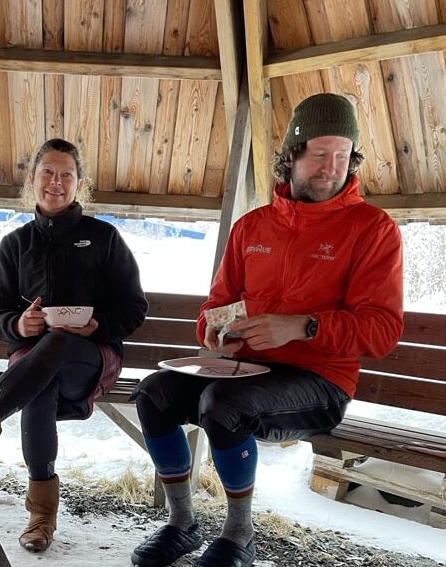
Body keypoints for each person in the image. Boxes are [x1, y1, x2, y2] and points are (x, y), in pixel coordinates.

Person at [129, 93, 404, 567]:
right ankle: (182, 523)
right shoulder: (251, 228)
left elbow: (380, 330)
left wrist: (302, 326)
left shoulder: (372, 229)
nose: (330, 167)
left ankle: (239, 536)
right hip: (243, 370)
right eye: (319, 153)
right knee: (152, 393)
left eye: (342, 155)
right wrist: (215, 333)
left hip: (320, 383)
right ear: (292, 155)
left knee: (222, 405)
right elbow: (215, 306)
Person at [0, 138, 148, 553]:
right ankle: (42, 516)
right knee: (40, 385)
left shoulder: (104, 238)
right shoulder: (15, 245)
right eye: (48, 172)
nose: (56, 182)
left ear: (79, 185)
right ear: (32, 179)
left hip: (92, 360)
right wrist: (19, 323)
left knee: (55, 347)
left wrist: (98, 325)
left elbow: (134, 308)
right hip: (33, 365)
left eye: (66, 175)